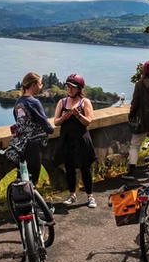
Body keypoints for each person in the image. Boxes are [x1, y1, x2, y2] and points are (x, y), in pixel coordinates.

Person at [53, 73, 98, 207]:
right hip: (67, 140)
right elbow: (56, 122)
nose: (69, 89)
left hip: (81, 140)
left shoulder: (85, 102)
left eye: (72, 87)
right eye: (68, 87)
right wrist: (63, 118)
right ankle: (72, 194)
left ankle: (90, 196)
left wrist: (78, 115)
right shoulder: (62, 102)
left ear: (79, 88)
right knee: (69, 168)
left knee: (85, 168)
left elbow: (88, 121)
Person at [14, 72, 55, 184]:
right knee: (33, 179)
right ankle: (32, 200)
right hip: (33, 145)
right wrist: (52, 130)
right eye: (40, 84)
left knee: (24, 178)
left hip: (21, 145)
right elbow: (44, 123)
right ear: (33, 85)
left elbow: (18, 121)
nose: (41, 87)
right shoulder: (34, 102)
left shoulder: (19, 102)